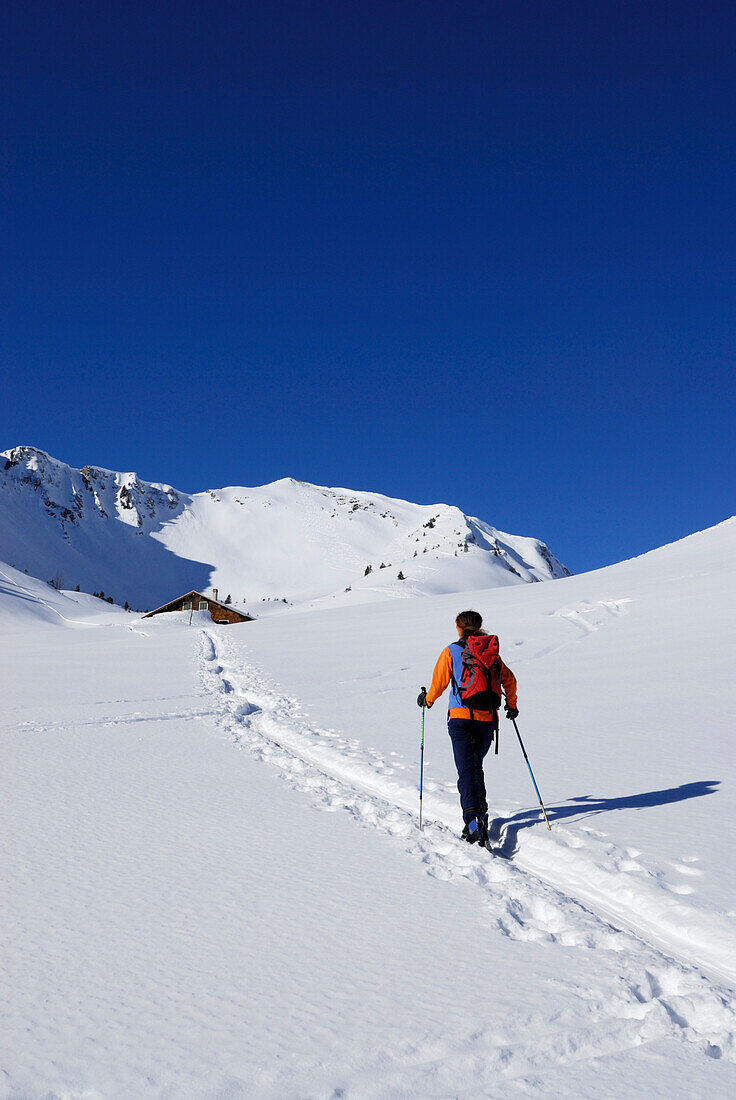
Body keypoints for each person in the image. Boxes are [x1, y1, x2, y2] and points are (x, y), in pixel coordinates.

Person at [417, 610, 518, 846]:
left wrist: (427, 700)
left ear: (458, 627)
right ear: (480, 626)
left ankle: (473, 821)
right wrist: (511, 706)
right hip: (487, 720)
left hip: (460, 719)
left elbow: (438, 684)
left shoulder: (451, 650)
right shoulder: (491, 653)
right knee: (473, 765)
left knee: (467, 768)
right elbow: (510, 680)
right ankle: (480, 813)